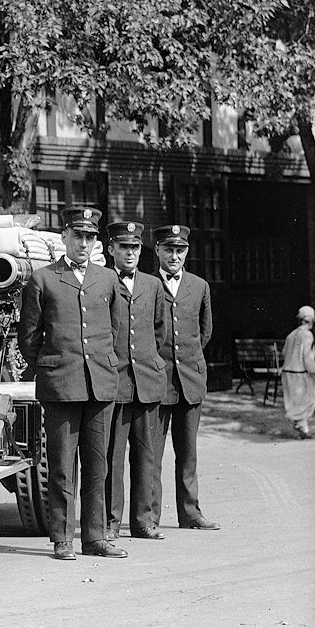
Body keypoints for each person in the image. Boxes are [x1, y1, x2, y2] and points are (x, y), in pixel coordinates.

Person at [18, 207, 127, 560]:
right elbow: (29, 338)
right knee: (62, 467)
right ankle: (62, 538)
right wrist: (52, 368)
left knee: (98, 465)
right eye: (78, 235)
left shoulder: (107, 279)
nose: (84, 243)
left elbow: (118, 333)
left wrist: (105, 368)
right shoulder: (44, 279)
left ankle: (95, 538)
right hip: (61, 386)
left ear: (97, 242)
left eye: (90, 237)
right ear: (65, 236)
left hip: (100, 385)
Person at [150, 224, 220, 530]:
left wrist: (185, 362)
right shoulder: (146, 284)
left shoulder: (199, 286)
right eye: (169, 249)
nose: (175, 256)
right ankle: (148, 517)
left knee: (188, 454)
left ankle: (190, 514)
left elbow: (204, 332)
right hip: (156, 381)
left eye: (180, 250)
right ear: (157, 251)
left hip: (190, 380)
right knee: (151, 455)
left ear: (187, 253)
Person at [103, 221, 168, 541]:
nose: (130, 254)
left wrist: (150, 363)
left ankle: (144, 521)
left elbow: (160, 332)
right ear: (111, 249)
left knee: (147, 456)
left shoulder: (153, 285)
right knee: (111, 458)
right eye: (123, 247)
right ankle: (110, 522)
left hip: (147, 382)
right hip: (114, 383)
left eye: (135, 248)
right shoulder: (101, 281)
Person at [281, 305, 315, 438]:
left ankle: (301, 426)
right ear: (310, 321)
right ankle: (302, 426)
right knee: (311, 397)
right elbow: (307, 357)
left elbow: (284, 352)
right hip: (300, 373)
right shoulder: (307, 335)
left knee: (296, 401)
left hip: (288, 372)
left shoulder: (291, 335)